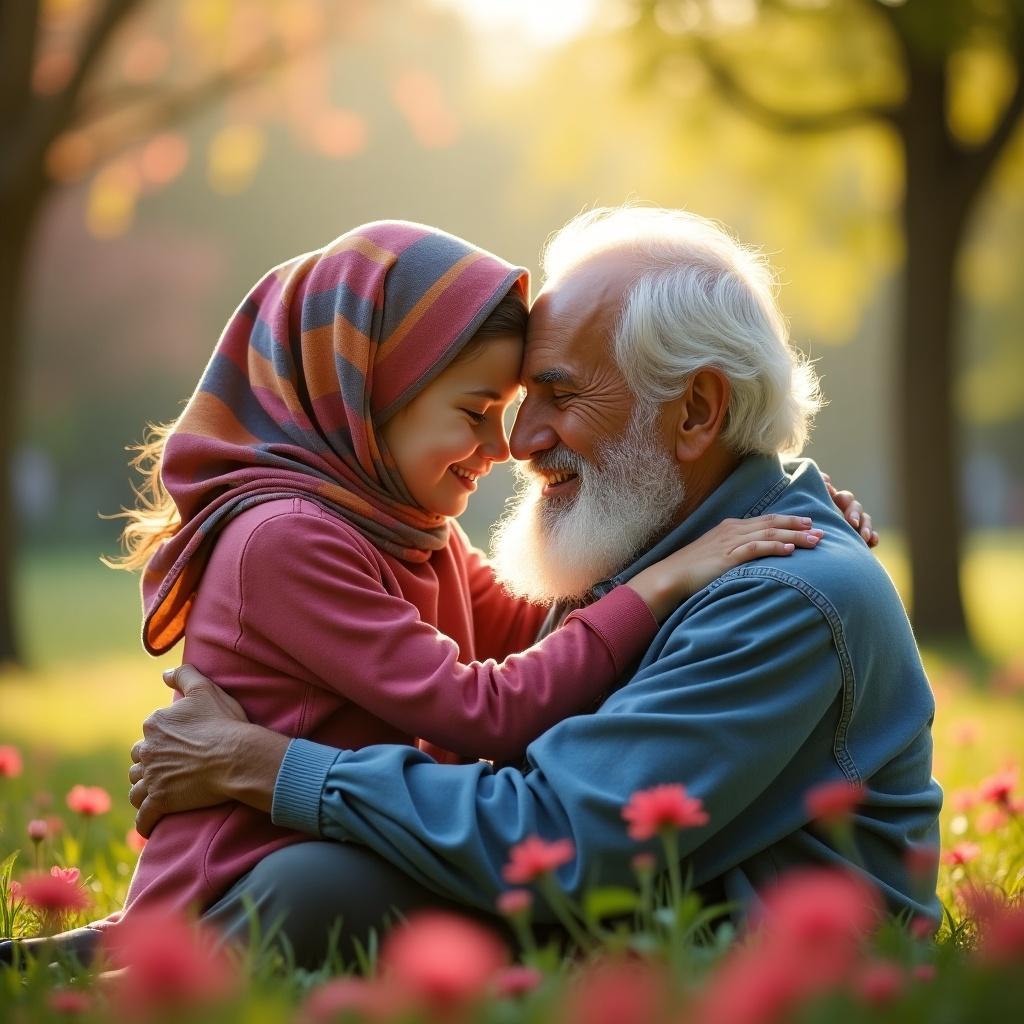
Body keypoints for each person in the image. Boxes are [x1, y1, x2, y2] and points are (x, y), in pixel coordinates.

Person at [118, 206, 939, 968]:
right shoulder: (671, 545)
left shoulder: (780, 595)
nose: (518, 440)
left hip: (756, 954)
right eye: (502, 403)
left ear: (696, 412)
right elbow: (543, 655)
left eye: (558, 393)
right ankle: (122, 958)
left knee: (317, 892)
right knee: (319, 888)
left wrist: (266, 766)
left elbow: (560, 832)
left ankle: (130, 969)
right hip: (644, 909)